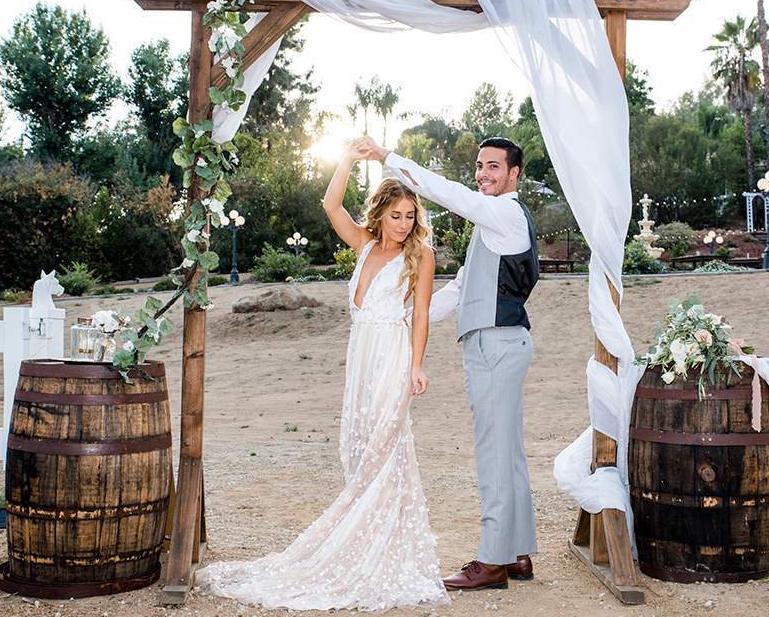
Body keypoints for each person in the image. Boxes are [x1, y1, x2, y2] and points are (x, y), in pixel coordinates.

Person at [196, 140, 448, 612]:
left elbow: (421, 315)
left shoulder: (422, 255)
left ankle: (376, 550)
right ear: (380, 216)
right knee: (359, 446)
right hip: (361, 357)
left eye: (410, 216)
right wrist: (350, 160)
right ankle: (363, 541)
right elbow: (330, 204)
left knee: (381, 447)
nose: (404, 224)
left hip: (392, 354)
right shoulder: (364, 243)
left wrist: (416, 366)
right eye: (396, 215)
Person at [360, 134, 539, 591]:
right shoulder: (494, 222)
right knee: (508, 451)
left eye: (494, 167)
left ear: (514, 174)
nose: (483, 174)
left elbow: (448, 193)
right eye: (480, 166)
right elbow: (461, 289)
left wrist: (388, 159)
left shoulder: (504, 211)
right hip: (500, 342)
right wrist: (404, 315)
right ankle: (517, 554)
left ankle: (492, 562)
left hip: (496, 343)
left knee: (495, 453)